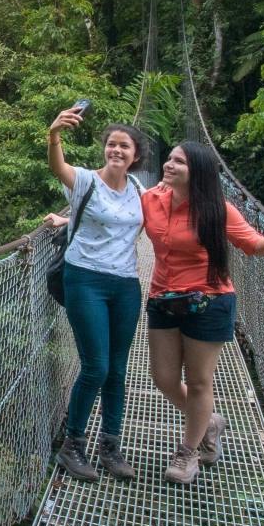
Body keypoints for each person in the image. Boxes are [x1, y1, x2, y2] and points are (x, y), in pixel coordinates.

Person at [139, 140, 264, 484]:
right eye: (168, 159)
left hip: (209, 301)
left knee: (199, 381)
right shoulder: (150, 199)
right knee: (163, 378)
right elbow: (118, 219)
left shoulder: (218, 208)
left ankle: (188, 452)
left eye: (178, 162)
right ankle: (209, 421)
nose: (168, 165)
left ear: (195, 171)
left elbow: (252, 243)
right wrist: (69, 220)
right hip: (163, 299)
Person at [45, 104, 155, 482]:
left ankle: (110, 445)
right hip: (85, 278)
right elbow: (58, 167)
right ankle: (72, 445)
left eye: (124, 146)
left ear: (135, 155)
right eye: (111, 144)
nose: (117, 151)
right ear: (104, 149)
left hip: (125, 283)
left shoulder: (140, 189)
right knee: (96, 365)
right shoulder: (86, 181)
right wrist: (54, 134)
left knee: (118, 369)